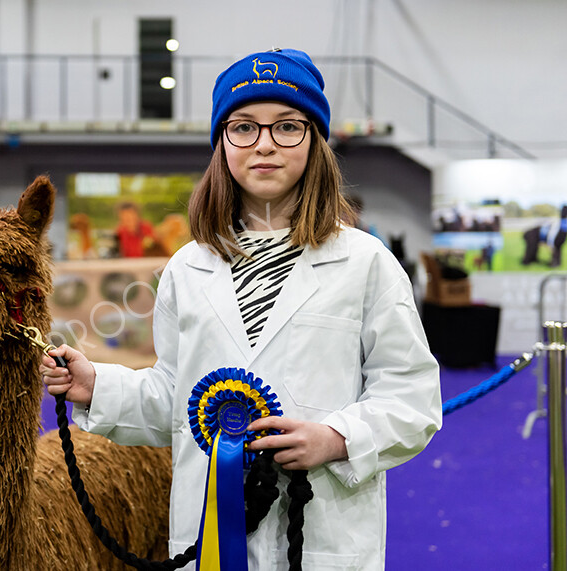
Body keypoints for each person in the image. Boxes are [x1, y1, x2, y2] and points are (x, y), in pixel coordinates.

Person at [41, 48, 441, 569]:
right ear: (222, 142)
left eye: (288, 127)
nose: (266, 145)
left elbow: (412, 397)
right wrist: (98, 385)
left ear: (315, 141)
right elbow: (175, 398)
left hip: (320, 530)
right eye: (244, 127)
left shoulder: (366, 263)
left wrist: (336, 439)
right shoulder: (188, 269)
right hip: (210, 535)